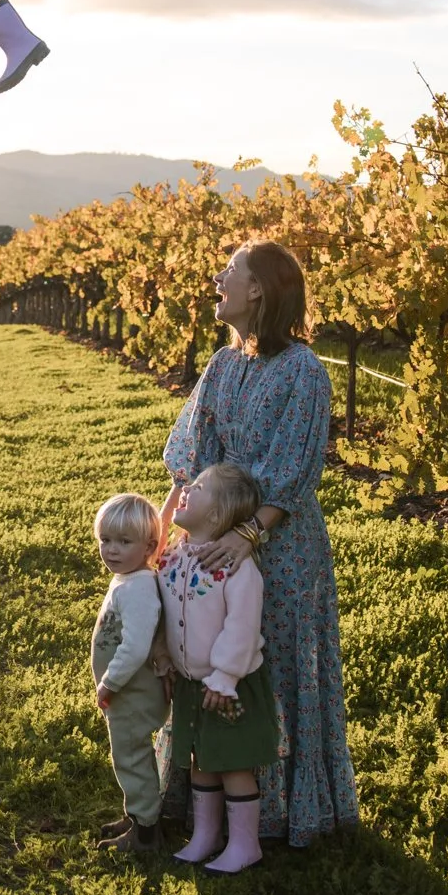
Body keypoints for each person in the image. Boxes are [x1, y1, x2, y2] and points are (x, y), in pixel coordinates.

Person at [160, 241, 359, 848]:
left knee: (276, 665)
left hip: (283, 544)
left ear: (258, 291)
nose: (218, 278)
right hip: (213, 540)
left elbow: (295, 468)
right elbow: (192, 455)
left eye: (231, 271)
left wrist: (249, 535)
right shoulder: (222, 365)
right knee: (210, 656)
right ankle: (204, 804)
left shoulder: (305, 371)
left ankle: (279, 814)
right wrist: (170, 529)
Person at [154, 463, 278, 874]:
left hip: (229, 685)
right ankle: (205, 836)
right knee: (201, 759)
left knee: (234, 763)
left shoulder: (238, 567)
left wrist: (225, 677)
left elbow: (242, 626)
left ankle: (245, 844)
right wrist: (165, 656)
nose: (186, 489)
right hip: (191, 683)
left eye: (200, 486)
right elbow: (166, 614)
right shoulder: (173, 555)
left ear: (216, 515)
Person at [88, 491, 171, 855]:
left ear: (149, 546)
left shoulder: (138, 587)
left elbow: (136, 646)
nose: (112, 550)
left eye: (124, 542)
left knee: (132, 756)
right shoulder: (129, 578)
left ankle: (146, 833)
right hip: (127, 693)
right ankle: (137, 815)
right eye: (105, 540)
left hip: (131, 693)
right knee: (129, 755)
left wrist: (109, 683)